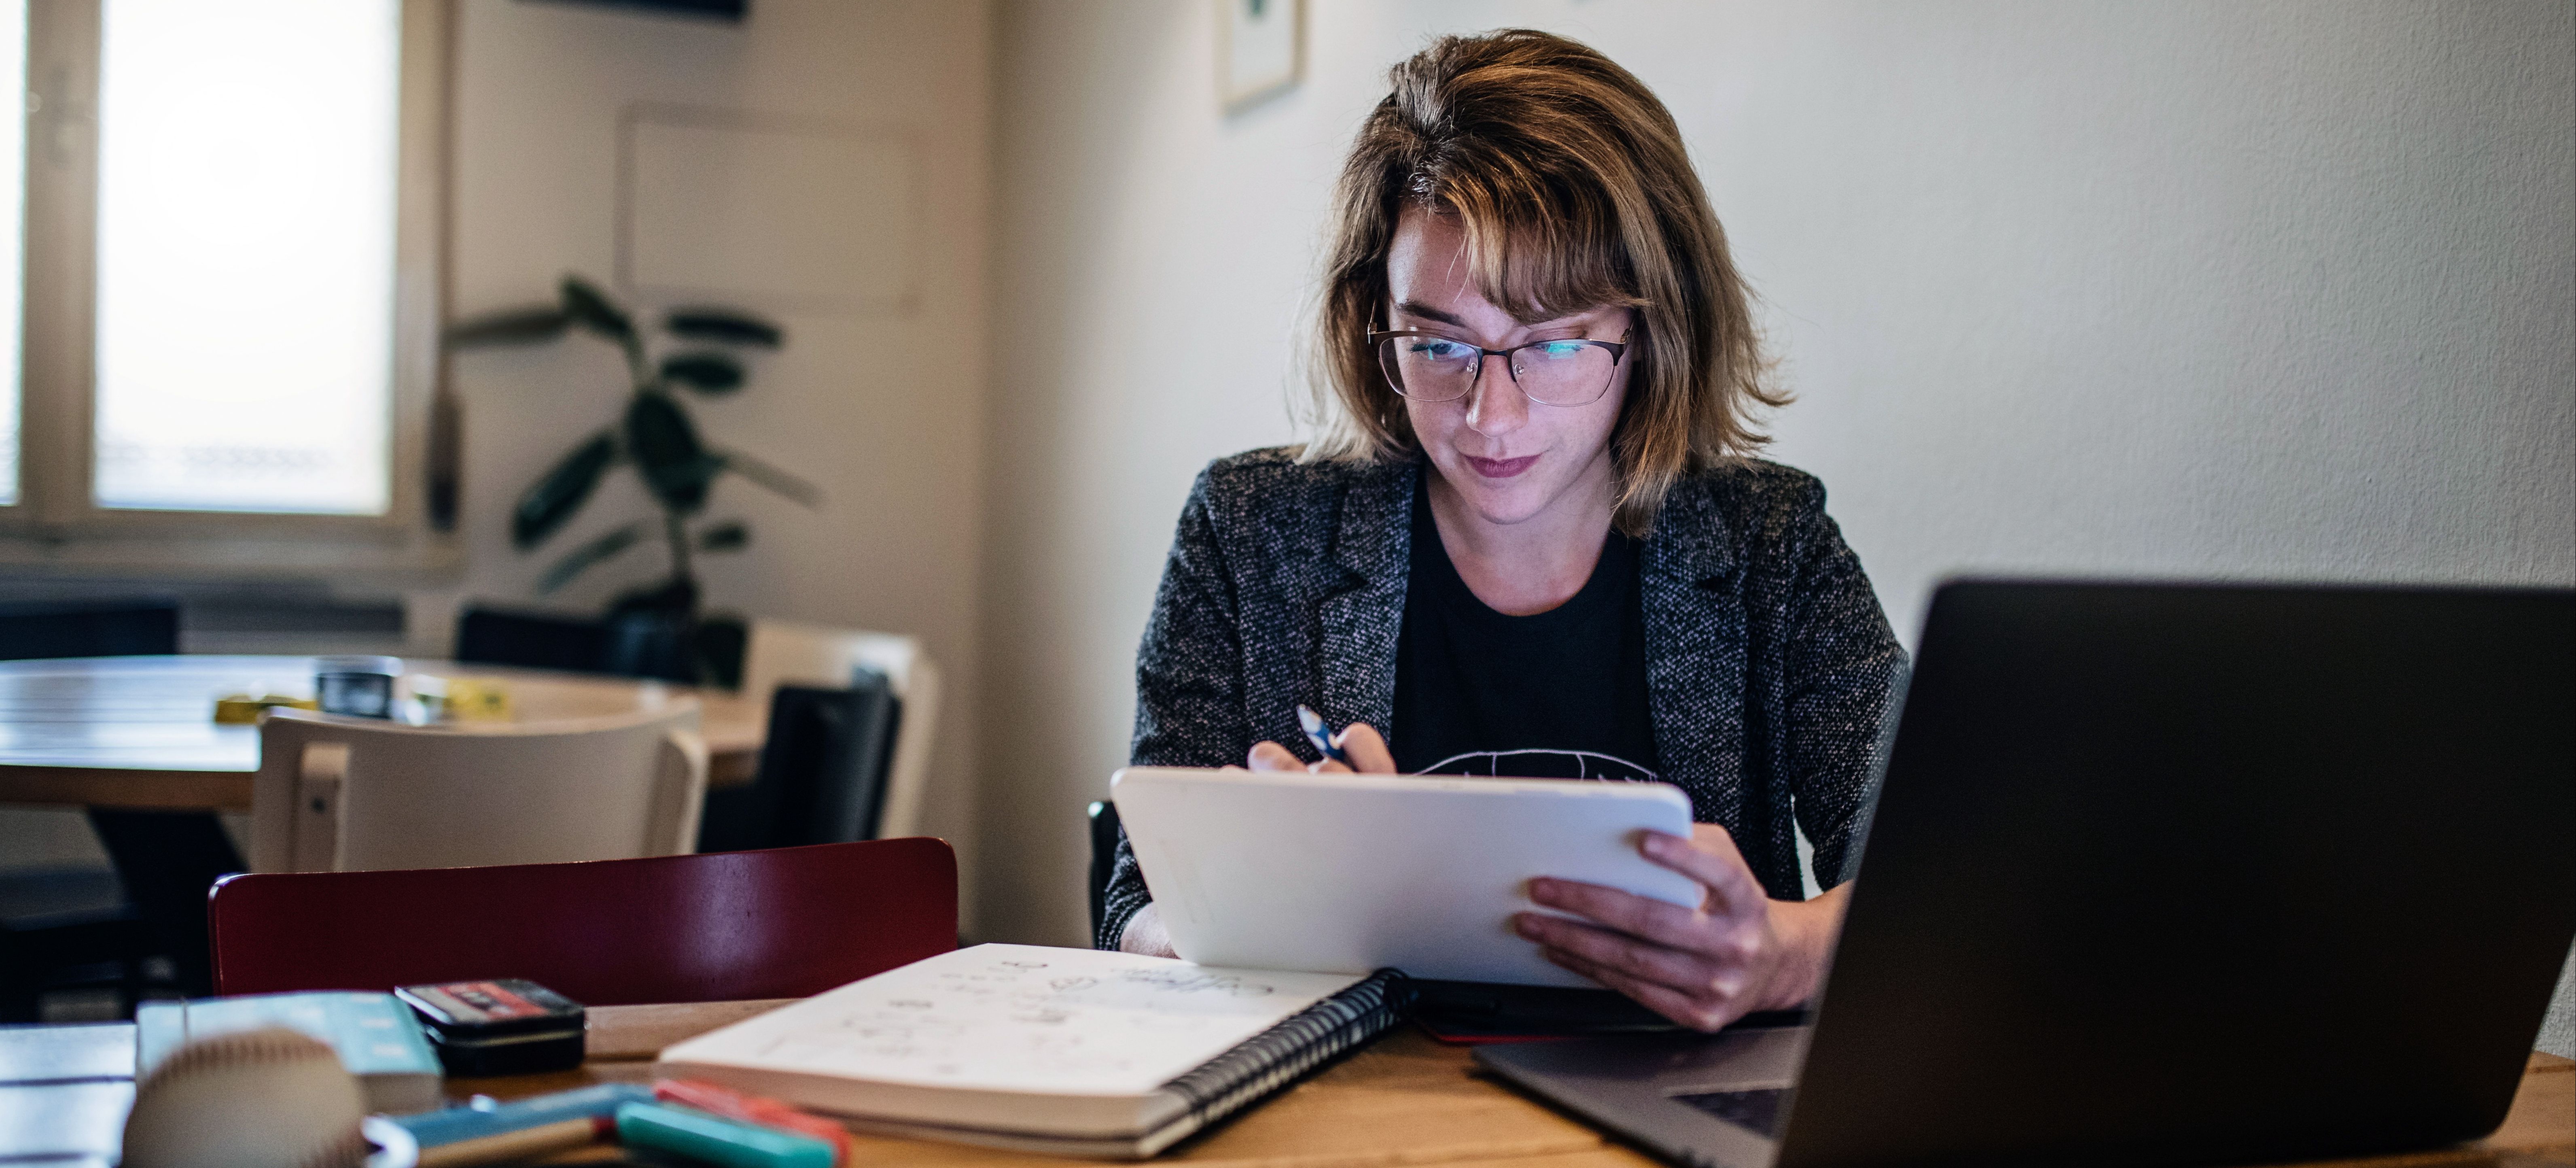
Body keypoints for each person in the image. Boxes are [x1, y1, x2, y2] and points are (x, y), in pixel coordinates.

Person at [1099, 29, 1906, 1032]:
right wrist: (1272, 902)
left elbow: (1942, 885)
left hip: (1677, 1103)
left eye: (1556, 342)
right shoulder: (1253, 530)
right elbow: (1133, 909)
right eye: (1438, 344)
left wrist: (1785, 958)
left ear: (1651, 331)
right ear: (1374, 320)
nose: (1490, 415)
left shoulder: (1770, 546)